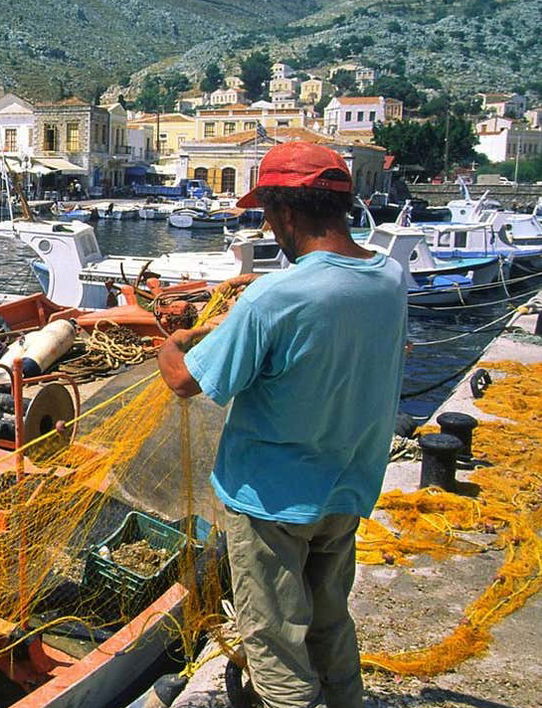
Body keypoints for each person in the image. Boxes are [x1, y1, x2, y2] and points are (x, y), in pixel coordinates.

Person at [157, 141, 408, 708]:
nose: (268, 228)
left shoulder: (277, 295)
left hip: (270, 501)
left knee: (275, 643)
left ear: (288, 214)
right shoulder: (389, 278)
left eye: (267, 216)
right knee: (328, 620)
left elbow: (185, 381)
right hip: (347, 487)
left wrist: (172, 344)